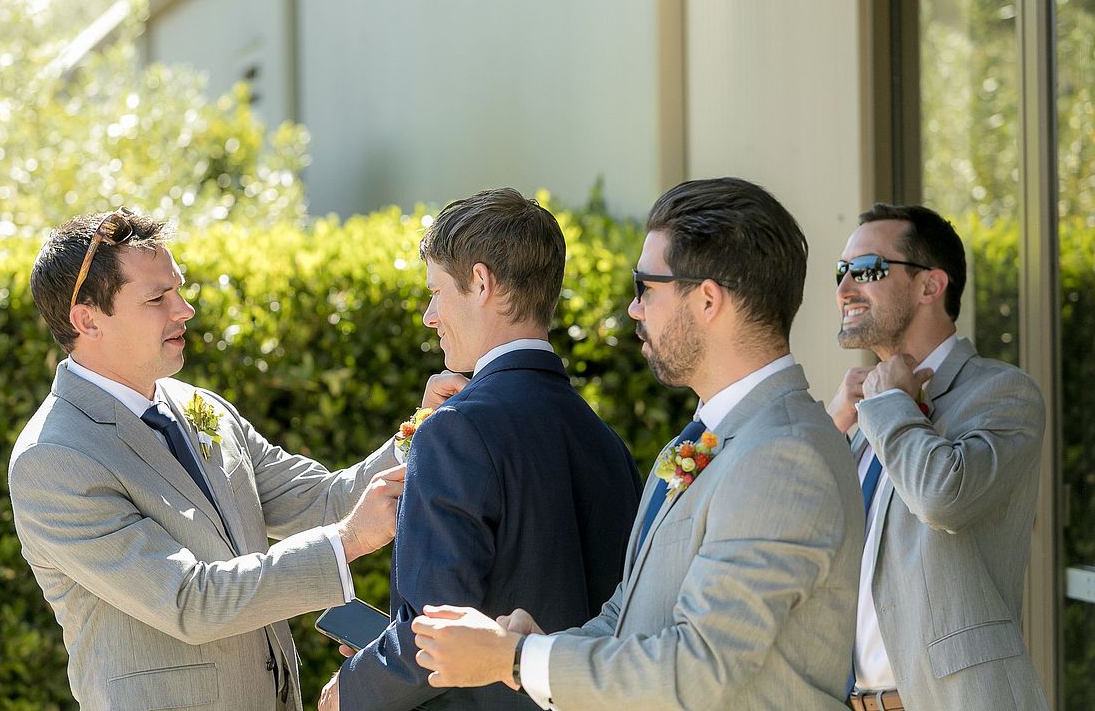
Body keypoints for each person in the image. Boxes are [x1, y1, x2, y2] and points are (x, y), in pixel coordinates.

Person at [411, 177, 864, 710]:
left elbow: (698, 666)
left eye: (646, 286)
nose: (634, 309)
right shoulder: (712, 440)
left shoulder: (785, 456)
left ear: (708, 300)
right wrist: (531, 649)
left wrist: (512, 660)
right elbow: (627, 617)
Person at [9, 208, 426, 710]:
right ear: (87, 320)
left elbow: (321, 500)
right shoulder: (53, 458)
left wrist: (419, 432)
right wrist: (350, 541)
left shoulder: (197, 406)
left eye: (179, 289)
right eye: (157, 298)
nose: (184, 310)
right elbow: (189, 601)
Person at [321, 188, 643, 711]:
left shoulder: (454, 430)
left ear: (480, 282)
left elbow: (437, 630)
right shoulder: (605, 442)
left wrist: (353, 688)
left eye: (436, 292)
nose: (429, 315)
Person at [828, 204, 1048, 710]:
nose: (844, 289)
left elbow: (942, 498)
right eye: (842, 272)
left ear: (931, 286)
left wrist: (890, 406)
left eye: (866, 270)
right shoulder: (860, 414)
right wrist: (833, 427)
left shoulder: (1003, 393)